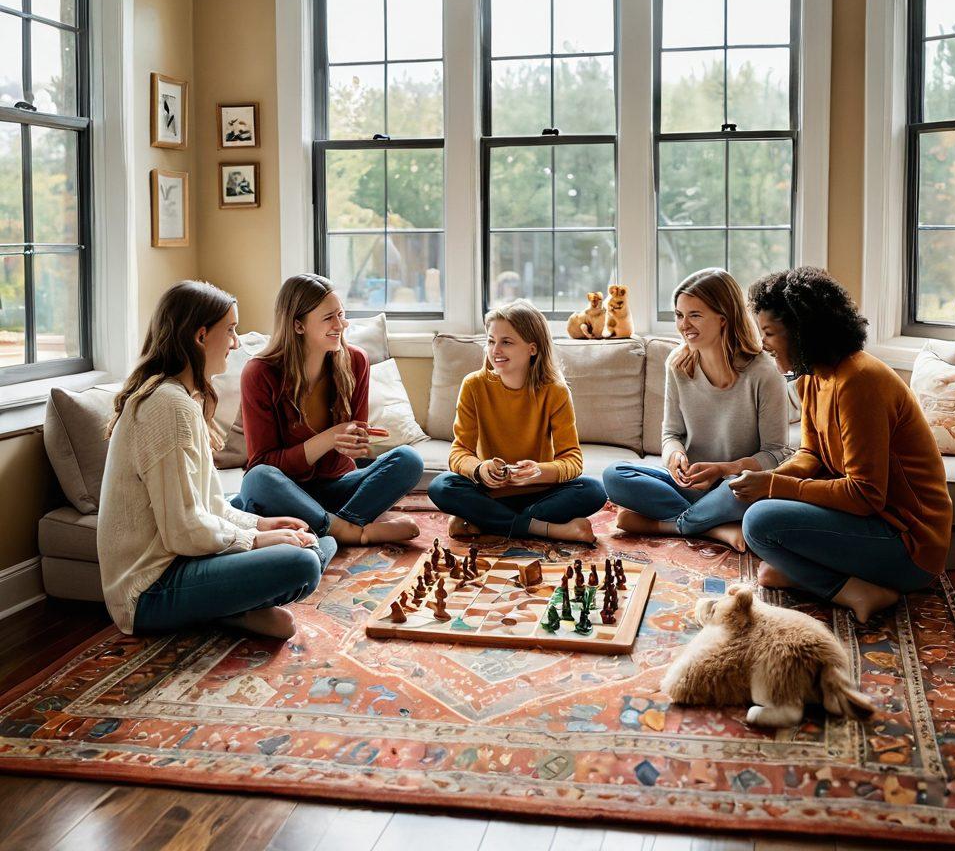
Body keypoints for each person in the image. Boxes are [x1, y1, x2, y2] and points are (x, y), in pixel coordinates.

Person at [98, 281, 334, 640]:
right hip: (149, 590)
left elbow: (208, 505)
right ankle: (224, 608)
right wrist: (256, 541)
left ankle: (223, 609)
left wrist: (262, 525)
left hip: (184, 562)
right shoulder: (167, 405)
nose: (236, 342)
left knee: (315, 540)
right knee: (303, 561)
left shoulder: (180, 398)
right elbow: (184, 531)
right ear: (201, 335)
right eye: (231, 330)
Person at [734, 267, 953, 623]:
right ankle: (810, 577)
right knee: (755, 507)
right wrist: (767, 483)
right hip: (871, 525)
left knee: (759, 522)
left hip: (909, 543)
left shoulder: (859, 382)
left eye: (770, 333)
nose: (763, 344)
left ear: (802, 332)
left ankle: (856, 590)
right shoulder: (812, 378)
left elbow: (866, 496)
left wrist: (774, 486)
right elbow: (812, 454)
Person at [603, 268, 790, 551]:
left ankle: (668, 525)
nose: (683, 325)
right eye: (679, 315)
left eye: (695, 315)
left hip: (735, 486)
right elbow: (670, 434)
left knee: (748, 499)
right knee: (614, 475)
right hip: (690, 484)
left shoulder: (764, 372)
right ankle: (714, 528)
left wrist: (724, 469)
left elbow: (776, 454)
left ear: (723, 318)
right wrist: (675, 455)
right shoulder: (678, 364)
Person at [235, 274, 423, 547]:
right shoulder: (260, 373)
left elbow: (353, 443)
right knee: (257, 480)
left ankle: (330, 526)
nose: (341, 325)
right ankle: (354, 531)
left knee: (408, 460)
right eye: (328, 318)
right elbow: (263, 462)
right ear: (298, 325)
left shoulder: (356, 361)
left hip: (338, 488)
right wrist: (329, 438)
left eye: (341, 314)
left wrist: (355, 444)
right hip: (286, 493)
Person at [427, 299, 607, 542]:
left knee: (593, 491)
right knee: (441, 486)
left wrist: (538, 471)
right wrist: (480, 469)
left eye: (506, 342)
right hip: (489, 493)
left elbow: (572, 460)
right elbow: (459, 453)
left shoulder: (555, 391)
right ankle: (546, 529)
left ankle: (486, 522)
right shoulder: (473, 385)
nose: (495, 350)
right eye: (491, 341)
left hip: (540, 494)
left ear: (532, 348)